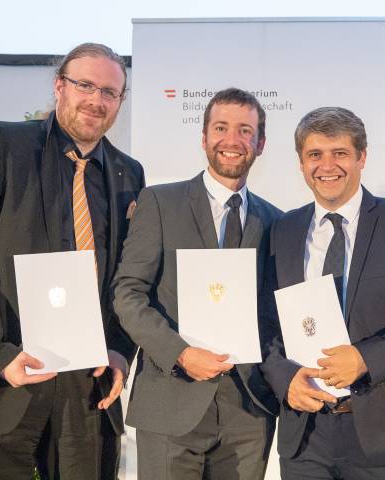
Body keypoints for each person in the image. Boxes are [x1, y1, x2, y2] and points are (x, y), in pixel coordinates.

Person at [0, 43, 145, 479]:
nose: (96, 100)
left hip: (87, 386)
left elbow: (128, 275)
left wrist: (119, 350)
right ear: (59, 86)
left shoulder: (128, 173)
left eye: (110, 92)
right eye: (85, 85)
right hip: (1, 377)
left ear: (120, 102)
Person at [261, 107, 385, 479]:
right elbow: (266, 322)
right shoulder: (282, 230)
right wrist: (285, 379)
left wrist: (365, 359)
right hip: (306, 434)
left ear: (362, 157)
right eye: (315, 154)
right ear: (301, 163)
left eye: (340, 153)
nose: (327, 165)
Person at [113, 87, 281, 480]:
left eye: (245, 130)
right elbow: (128, 293)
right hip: (171, 400)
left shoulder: (276, 221)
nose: (232, 140)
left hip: (248, 409)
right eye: (221, 128)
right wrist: (180, 352)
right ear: (204, 138)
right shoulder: (158, 203)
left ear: (260, 144)